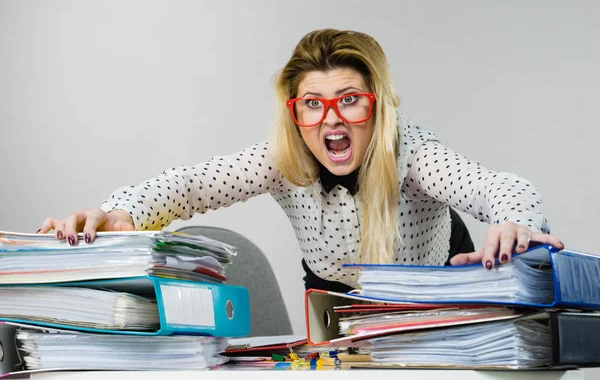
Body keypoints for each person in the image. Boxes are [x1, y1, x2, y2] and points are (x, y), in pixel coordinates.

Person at [38, 29, 564, 290]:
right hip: (329, 295)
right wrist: (120, 211)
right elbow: (191, 185)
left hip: (425, 287)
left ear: (379, 106)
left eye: (350, 100)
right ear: (294, 112)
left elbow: (494, 186)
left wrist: (514, 220)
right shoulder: (285, 157)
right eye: (313, 105)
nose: (331, 120)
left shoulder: (413, 153)